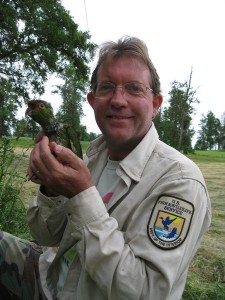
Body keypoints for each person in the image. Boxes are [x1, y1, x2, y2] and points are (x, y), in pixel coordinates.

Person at [0, 36, 211, 300]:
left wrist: (81, 194)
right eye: (107, 87)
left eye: (134, 89)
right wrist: (51, 187)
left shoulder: (180, 181)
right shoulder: (91, 157)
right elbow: (45, 236)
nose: (118, 100)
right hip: (51, 280)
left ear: (156, 104)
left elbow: (145, 292)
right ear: (92, 100)